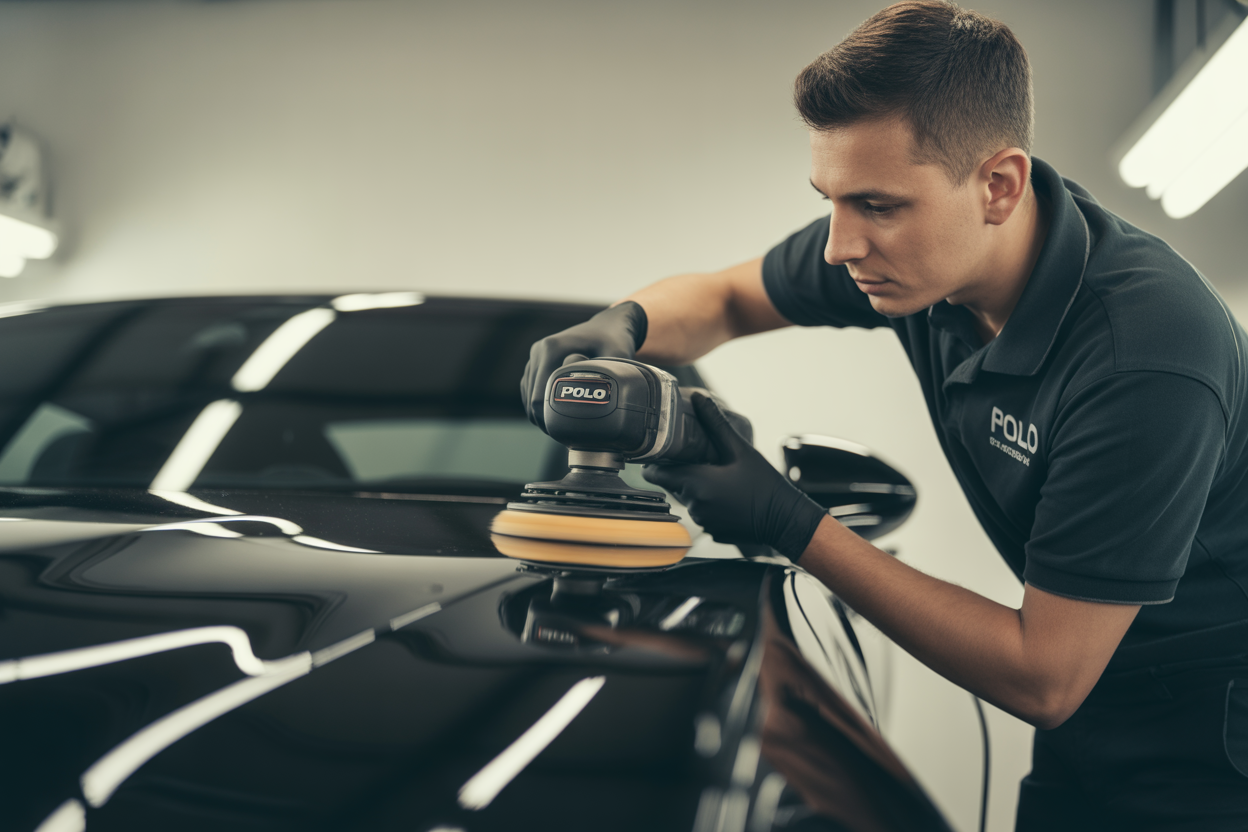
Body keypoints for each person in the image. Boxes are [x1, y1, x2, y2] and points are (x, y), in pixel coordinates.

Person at [519, 2, 1248, 828]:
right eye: (830, 199)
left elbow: (1043, 676)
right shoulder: (921, 260)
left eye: (877, 205)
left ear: (999, 187)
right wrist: (623, 323)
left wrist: (790, 522)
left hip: (1218, 743)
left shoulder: (1145, 356)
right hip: (1089, 720)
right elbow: (724, 299)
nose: (840, 245)